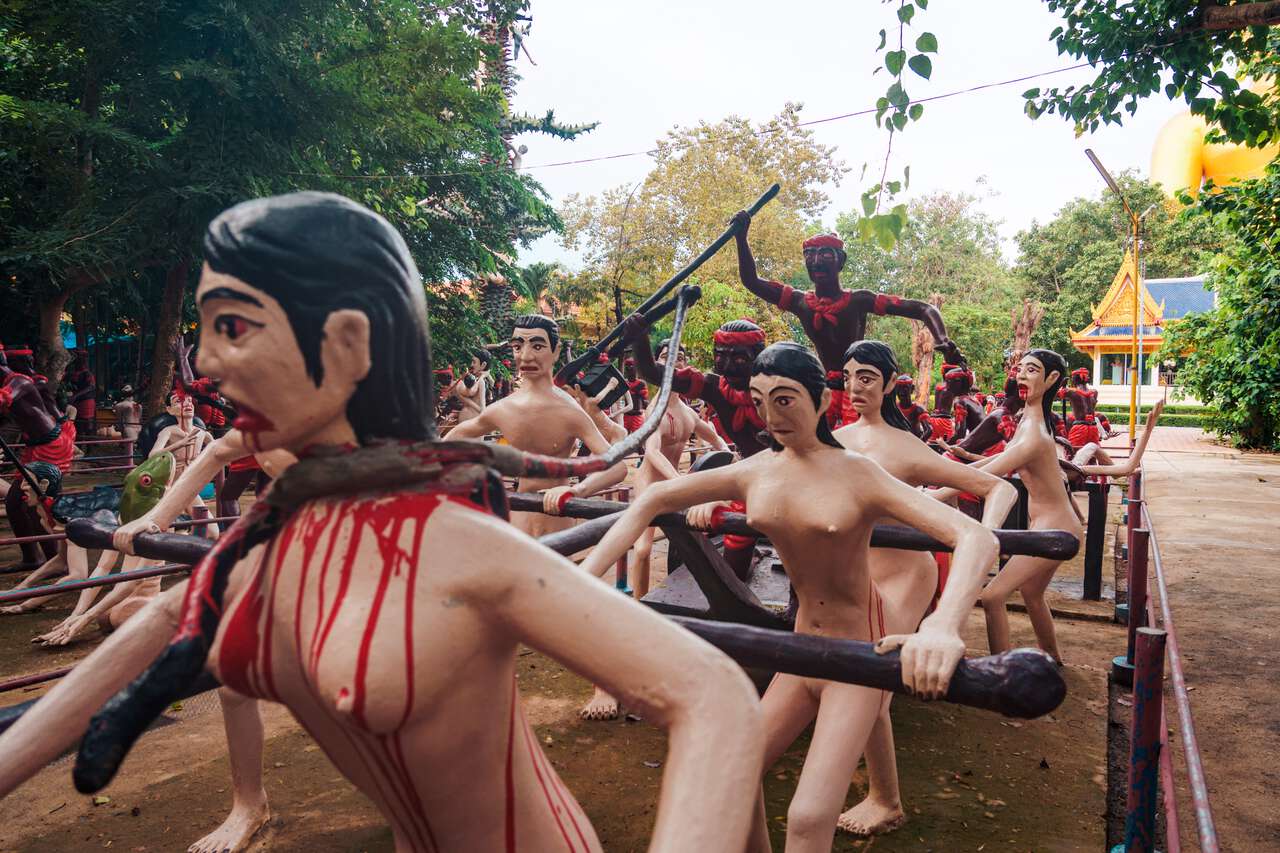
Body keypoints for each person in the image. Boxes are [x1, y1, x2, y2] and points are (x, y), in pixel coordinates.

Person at [0, 192, 765, 853]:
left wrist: (616, 491)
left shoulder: (458, 544)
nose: (206, 362)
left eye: (232, 326)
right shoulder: (276, 534)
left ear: (347, 344)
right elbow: (169, 615)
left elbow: (715, 694)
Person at [580, 341, 997, 852]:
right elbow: (653, 498)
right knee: (733, 774)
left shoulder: (859, 473)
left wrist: (942, 625)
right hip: (799, 651)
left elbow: (975, 536)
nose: (771, 415)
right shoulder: (758, 470)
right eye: (759, 401)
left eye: (785, 399)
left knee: (806, 816)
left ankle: (883, 799)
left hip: (857, 655)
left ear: (821, 401)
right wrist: (582, 577)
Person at [830, 341, 1016, 836]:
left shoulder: (903, 446)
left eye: (867, 376)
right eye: (849, 376)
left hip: (906, 573)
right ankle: (873, 785)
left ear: (890, 383)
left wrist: (984, 538)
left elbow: (1000, 487)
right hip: (858, 573)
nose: (855, 387)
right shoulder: (834, 437)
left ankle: (885, 799)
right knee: (859, 676)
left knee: (871, 682)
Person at [731, 210, 964, 427]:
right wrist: (741, 238)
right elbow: (751, 281)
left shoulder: (858, 300)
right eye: (809, 255)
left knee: (860, 441)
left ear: (840, 261)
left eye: (824, 254)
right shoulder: (800, 301)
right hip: (825, 388)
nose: (816, 261)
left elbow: (924, 309)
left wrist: (942, 339)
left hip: (859, 386)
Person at [930, 350, 1082, 663]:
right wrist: (949, 463)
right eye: (1021, 370)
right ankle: (1053, 658)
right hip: (1049, 525)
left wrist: (938, 494)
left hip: (1056, 530)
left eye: (1032, 370)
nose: (1022, 376)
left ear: (1052, 379)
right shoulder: (1029, 423)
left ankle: (1001, 670)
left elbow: (990, 474)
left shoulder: (1035, 435)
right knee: (1031, 594)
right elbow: (995, 460)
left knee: (993, 596)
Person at [447, 314, 628, 536]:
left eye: (538, 346)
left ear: (556, 351)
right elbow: (454, 438)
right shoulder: (503, 409)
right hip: (518, 511)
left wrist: (576, 490)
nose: (525, 356)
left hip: (557, 514)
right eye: (517, 346)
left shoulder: (569, 411)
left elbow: (617, 467)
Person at [1, 344, 77, 565]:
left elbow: (4, 400)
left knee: (38, 504)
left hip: (50, 446)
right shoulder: (24, 382)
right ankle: (35, 557)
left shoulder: (18, 382)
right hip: (35, 445)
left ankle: (57, 559)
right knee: (19, 504)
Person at [454, 348, 491, 423]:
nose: (471, 365)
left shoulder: (481, 382)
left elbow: (482, 406)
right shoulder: (476, 379)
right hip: (468, 422)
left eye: (474, 362)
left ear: (483, 365)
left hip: (473, 422)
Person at [893, 375, 933, 441]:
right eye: (899, 388)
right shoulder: (894, 407)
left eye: (905, 388)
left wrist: (919, 444)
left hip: (913, 442)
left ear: (911, 389)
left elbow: (929, 430)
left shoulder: (918, 409)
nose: (901, 392)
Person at [68, 349, 97, 436]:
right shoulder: (73, 373)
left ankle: (89, 447)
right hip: (75, 401)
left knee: (87, 425)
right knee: (77, 424)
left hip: (85, 401)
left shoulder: (87, 373)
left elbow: (91, 386)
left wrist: (76, 395)